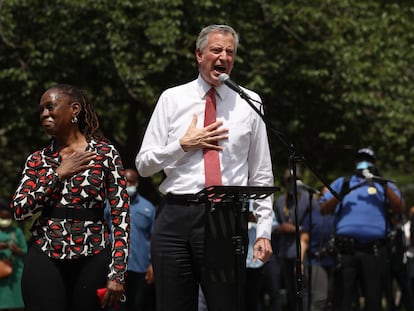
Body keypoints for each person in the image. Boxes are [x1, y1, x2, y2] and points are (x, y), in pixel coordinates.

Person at [136, 24, 275, 311]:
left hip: (225, 218)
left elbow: (261, 172)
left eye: (230, 52)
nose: (223, 57)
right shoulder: (172, 99)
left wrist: (263, 229)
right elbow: (143, 165)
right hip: (175, 216)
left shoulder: (249, 102)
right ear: (199, 55)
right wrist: (183, 144)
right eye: (216, 50)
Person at [10, 84, 130, 311]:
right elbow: (19, 210)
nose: (44, 114)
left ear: (74, 109)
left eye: (50, 107)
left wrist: (118, 273)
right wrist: (57, 175)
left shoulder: (105, 154)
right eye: (41, 110)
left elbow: (121, 216)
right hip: (45, 255)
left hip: (93, 256)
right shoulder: (37, 159)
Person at [320, 147, 405, 311]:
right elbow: (323, 209)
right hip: (345, 251)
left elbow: (400, 208)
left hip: (374, 252)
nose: (363, 163)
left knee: (373, 302)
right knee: (342, 302)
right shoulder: (342, 182)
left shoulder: (383, 184)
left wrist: (383, 184)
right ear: (355, 162)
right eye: (360, 159)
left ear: (375, 163)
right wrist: (340, 195)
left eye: (367, 159)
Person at [105, 168, 156, 311]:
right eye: (125, 181)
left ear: (137, 183)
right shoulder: (109, 205)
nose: (128, 185)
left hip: (140, 266)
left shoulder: (148, 208)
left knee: (137, 304)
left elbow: (154, 237)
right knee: (114, 306)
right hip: (113, 267)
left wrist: (153, 264)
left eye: (131, 182)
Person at [273, 169, 314, 311]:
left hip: (303, 251)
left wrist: (296, 228)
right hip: (284, 251)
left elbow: (312, 225)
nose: (292, 183)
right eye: (289, 180)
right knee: (290, 290)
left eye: (295, 180)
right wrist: (280, 228)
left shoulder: (308, 199)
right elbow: (274, 224)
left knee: (303, 289)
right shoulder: (279, 201)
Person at [300, 187, 336, 311]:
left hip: (335, 261)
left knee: (332, 299)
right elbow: (304, 239)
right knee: (320, 298)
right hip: (315, 261)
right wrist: (299, 261)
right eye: (325, 195)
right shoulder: (313, 216)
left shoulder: (339, 214)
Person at [0, 199, 27, 311]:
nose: (5, 221)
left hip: (15, 275)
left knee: (17, 305)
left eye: (7, 218)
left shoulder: (17, 232)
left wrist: (16, 249)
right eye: (3, 218)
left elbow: (25, 252)